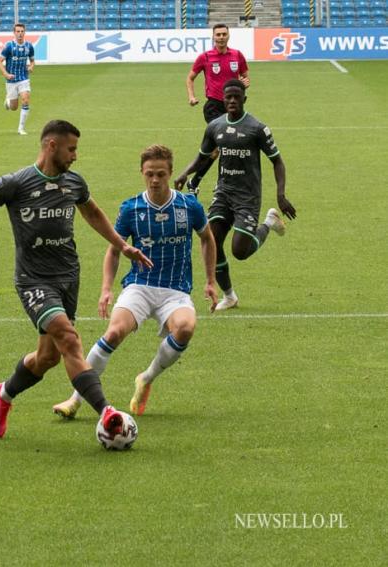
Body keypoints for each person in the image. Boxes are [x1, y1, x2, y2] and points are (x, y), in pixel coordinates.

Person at [0, 119, 153, 441]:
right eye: (71, 149)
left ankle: (5, 394)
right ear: (51, 146)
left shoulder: (74, 184)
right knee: (69, 339)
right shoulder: (16, 183)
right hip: (33, 280)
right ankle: (108, 413)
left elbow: (92, 213)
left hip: (68, 276)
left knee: (48, 357)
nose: (75, 156)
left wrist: (121, 245)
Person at [52, 145, 217, 420]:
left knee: (186, 328)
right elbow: (114, 250)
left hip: (175, 290)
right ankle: (75, 399)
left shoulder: (189, 206)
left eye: (161, 174)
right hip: (139, 285)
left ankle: (146, 378)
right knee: (114, 332)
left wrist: (210, 280)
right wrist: (106, 288)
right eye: (150, 174)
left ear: (170, 173)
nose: (155, 180)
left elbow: (207, 238)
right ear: (141, 172)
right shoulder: (131, 209)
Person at [174, 79, 296, 311]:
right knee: (212, 240)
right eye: (227, 97)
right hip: (223, 193)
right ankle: (229, 296)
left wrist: (280, 194)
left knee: (240, 251)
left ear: (244, 99)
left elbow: (277, 161)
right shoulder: (215, 127)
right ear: (223, 99)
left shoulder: (257, 128)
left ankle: (268, 223)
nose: (231, 101)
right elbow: (203, 157)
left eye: (236, 97)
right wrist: (184, 173)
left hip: (248, 197)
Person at [184, 23, 250, 194]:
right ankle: (221, 183)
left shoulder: (237, 55)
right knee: (222, 145)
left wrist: (245, 84)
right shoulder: (205, 57)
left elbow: (245, 77)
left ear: (228, 36)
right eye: (218, 34)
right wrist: (191, 96)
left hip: (233, 108)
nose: (221, 37)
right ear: (213, 37)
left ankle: (196, 182)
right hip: (213, 107)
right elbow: (190, 78)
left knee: (221, 148)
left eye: (224, 34)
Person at [0, 23, 35, 136]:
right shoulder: (9, 46)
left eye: (22, 31)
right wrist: (6, 74)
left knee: (26, 99)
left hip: (24, 78)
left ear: (25, 32)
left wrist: (32, 66)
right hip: (11, 80)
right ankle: (8, 103)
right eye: (17, 31)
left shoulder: (29, 46)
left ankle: (21, 128)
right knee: (14, 107)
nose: (20, 34)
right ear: (14, 33)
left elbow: (32, 60)